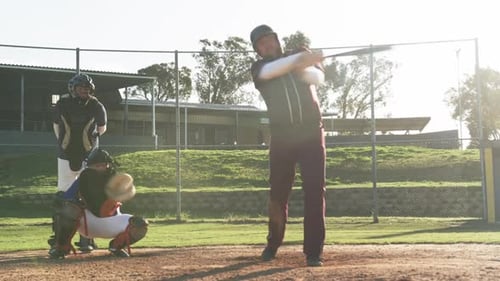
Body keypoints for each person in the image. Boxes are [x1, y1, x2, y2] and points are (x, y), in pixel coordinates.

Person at [250, 24, 327, 267]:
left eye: (269, 39)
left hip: (312, 135)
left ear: (276, 39)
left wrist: (306, 64)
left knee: (315, 192)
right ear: (258, 51)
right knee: (278, 194)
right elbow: (272, 71)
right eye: (261, 44)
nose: (267, 45)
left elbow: (318, 78)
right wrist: (299, 60)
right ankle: (273, 244)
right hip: (282, 138)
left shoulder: (299, 56)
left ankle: (313, 252)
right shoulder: (260, 68)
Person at [48, 148, 148, 259]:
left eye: (103, 165)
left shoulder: (115, 178)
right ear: (90, 166)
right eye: (97, 165)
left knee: (141, 224)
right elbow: (67, 198)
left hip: (112, 221)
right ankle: (61, 246)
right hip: (88, 223)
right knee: (69, 208)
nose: (100, 168)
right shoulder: (84, 178)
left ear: (108, 164)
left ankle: (117, 246)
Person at [52, 73, 107, 252]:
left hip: (80, 156)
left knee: (79, 195)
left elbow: (57, 129)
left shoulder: (63, 103)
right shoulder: (95, 105)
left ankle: (79, 238)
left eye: (87, 88)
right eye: (81, 87)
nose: (84, 90)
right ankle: (68, 239)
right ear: (73, 88)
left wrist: (66, 145)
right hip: (78, 155)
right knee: (69, 195)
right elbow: (101, 130)